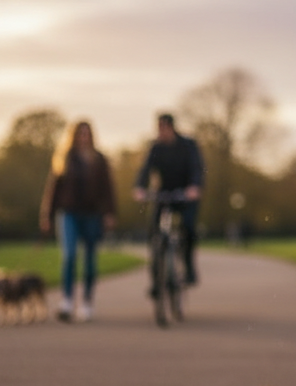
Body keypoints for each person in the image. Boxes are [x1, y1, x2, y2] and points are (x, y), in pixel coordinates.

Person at [39, 120, 117, 323]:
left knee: (90, 260)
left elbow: (108, 188)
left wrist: (109, 213)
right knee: (70, 255)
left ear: (91, 136)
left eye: (87, 133)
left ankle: (87, 301)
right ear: (73, 136)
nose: (84, 137)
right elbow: (53, 190)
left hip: (92, 214)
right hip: (68, 214)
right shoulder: (64, 158)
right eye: (80, 133)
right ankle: (66, 300)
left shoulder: (99, 159)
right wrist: (46, 216)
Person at [132, 113, 204, 286]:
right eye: (158, 128)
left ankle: (188, 267)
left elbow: (197, 167)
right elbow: (145, 169)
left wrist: (194, 187)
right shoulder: (156, 147)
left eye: (164, 128)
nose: (161, 132)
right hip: (163, 194)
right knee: (154, 232)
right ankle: (156, 277)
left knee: (187, 228)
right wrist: (140, 188)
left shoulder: (188, 145)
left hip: (185, 195)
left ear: (171, 127)